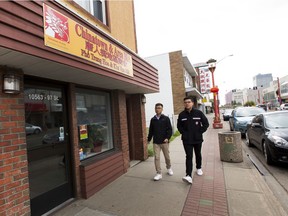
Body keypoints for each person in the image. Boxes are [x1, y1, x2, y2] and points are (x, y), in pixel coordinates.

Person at [177, 96, 209, 184]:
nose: (187, 104)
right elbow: (179, 126)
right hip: (187, 140)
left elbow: (206, 124)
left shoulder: (199, 113)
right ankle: (188, 175)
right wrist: (183, 133)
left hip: (197, 139)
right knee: (188, 156)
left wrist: (200, 132)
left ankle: (199, 167)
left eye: (188, 102)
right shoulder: (181, 114)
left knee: (198, 154)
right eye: (185, 102)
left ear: (192, 103)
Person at [147, 103, 173, 181]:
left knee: (167, 157)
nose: (157, 109)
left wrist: (167, 138)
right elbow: (151, 130)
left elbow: (169, 129)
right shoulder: (153, 119)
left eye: (159, 108)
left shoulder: (166, 118)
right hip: (156, 142)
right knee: (157, 158)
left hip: (164, 142)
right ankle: (158, 173)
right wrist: (148, 139)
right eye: (156, 108)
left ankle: (169, 168)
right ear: (155, 109)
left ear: (162, 109)